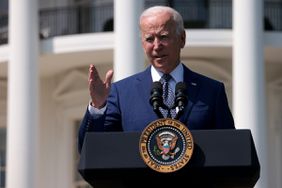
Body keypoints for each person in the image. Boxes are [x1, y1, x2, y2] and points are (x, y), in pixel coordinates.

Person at [78, 6, 235, 153]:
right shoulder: (121, 93)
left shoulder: (212, 91)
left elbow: (230, 149)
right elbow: (90, 150)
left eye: (164, 37)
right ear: (142, 43)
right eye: (149, 39)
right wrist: (98, 107)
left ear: (182, 39)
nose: (157, 45)